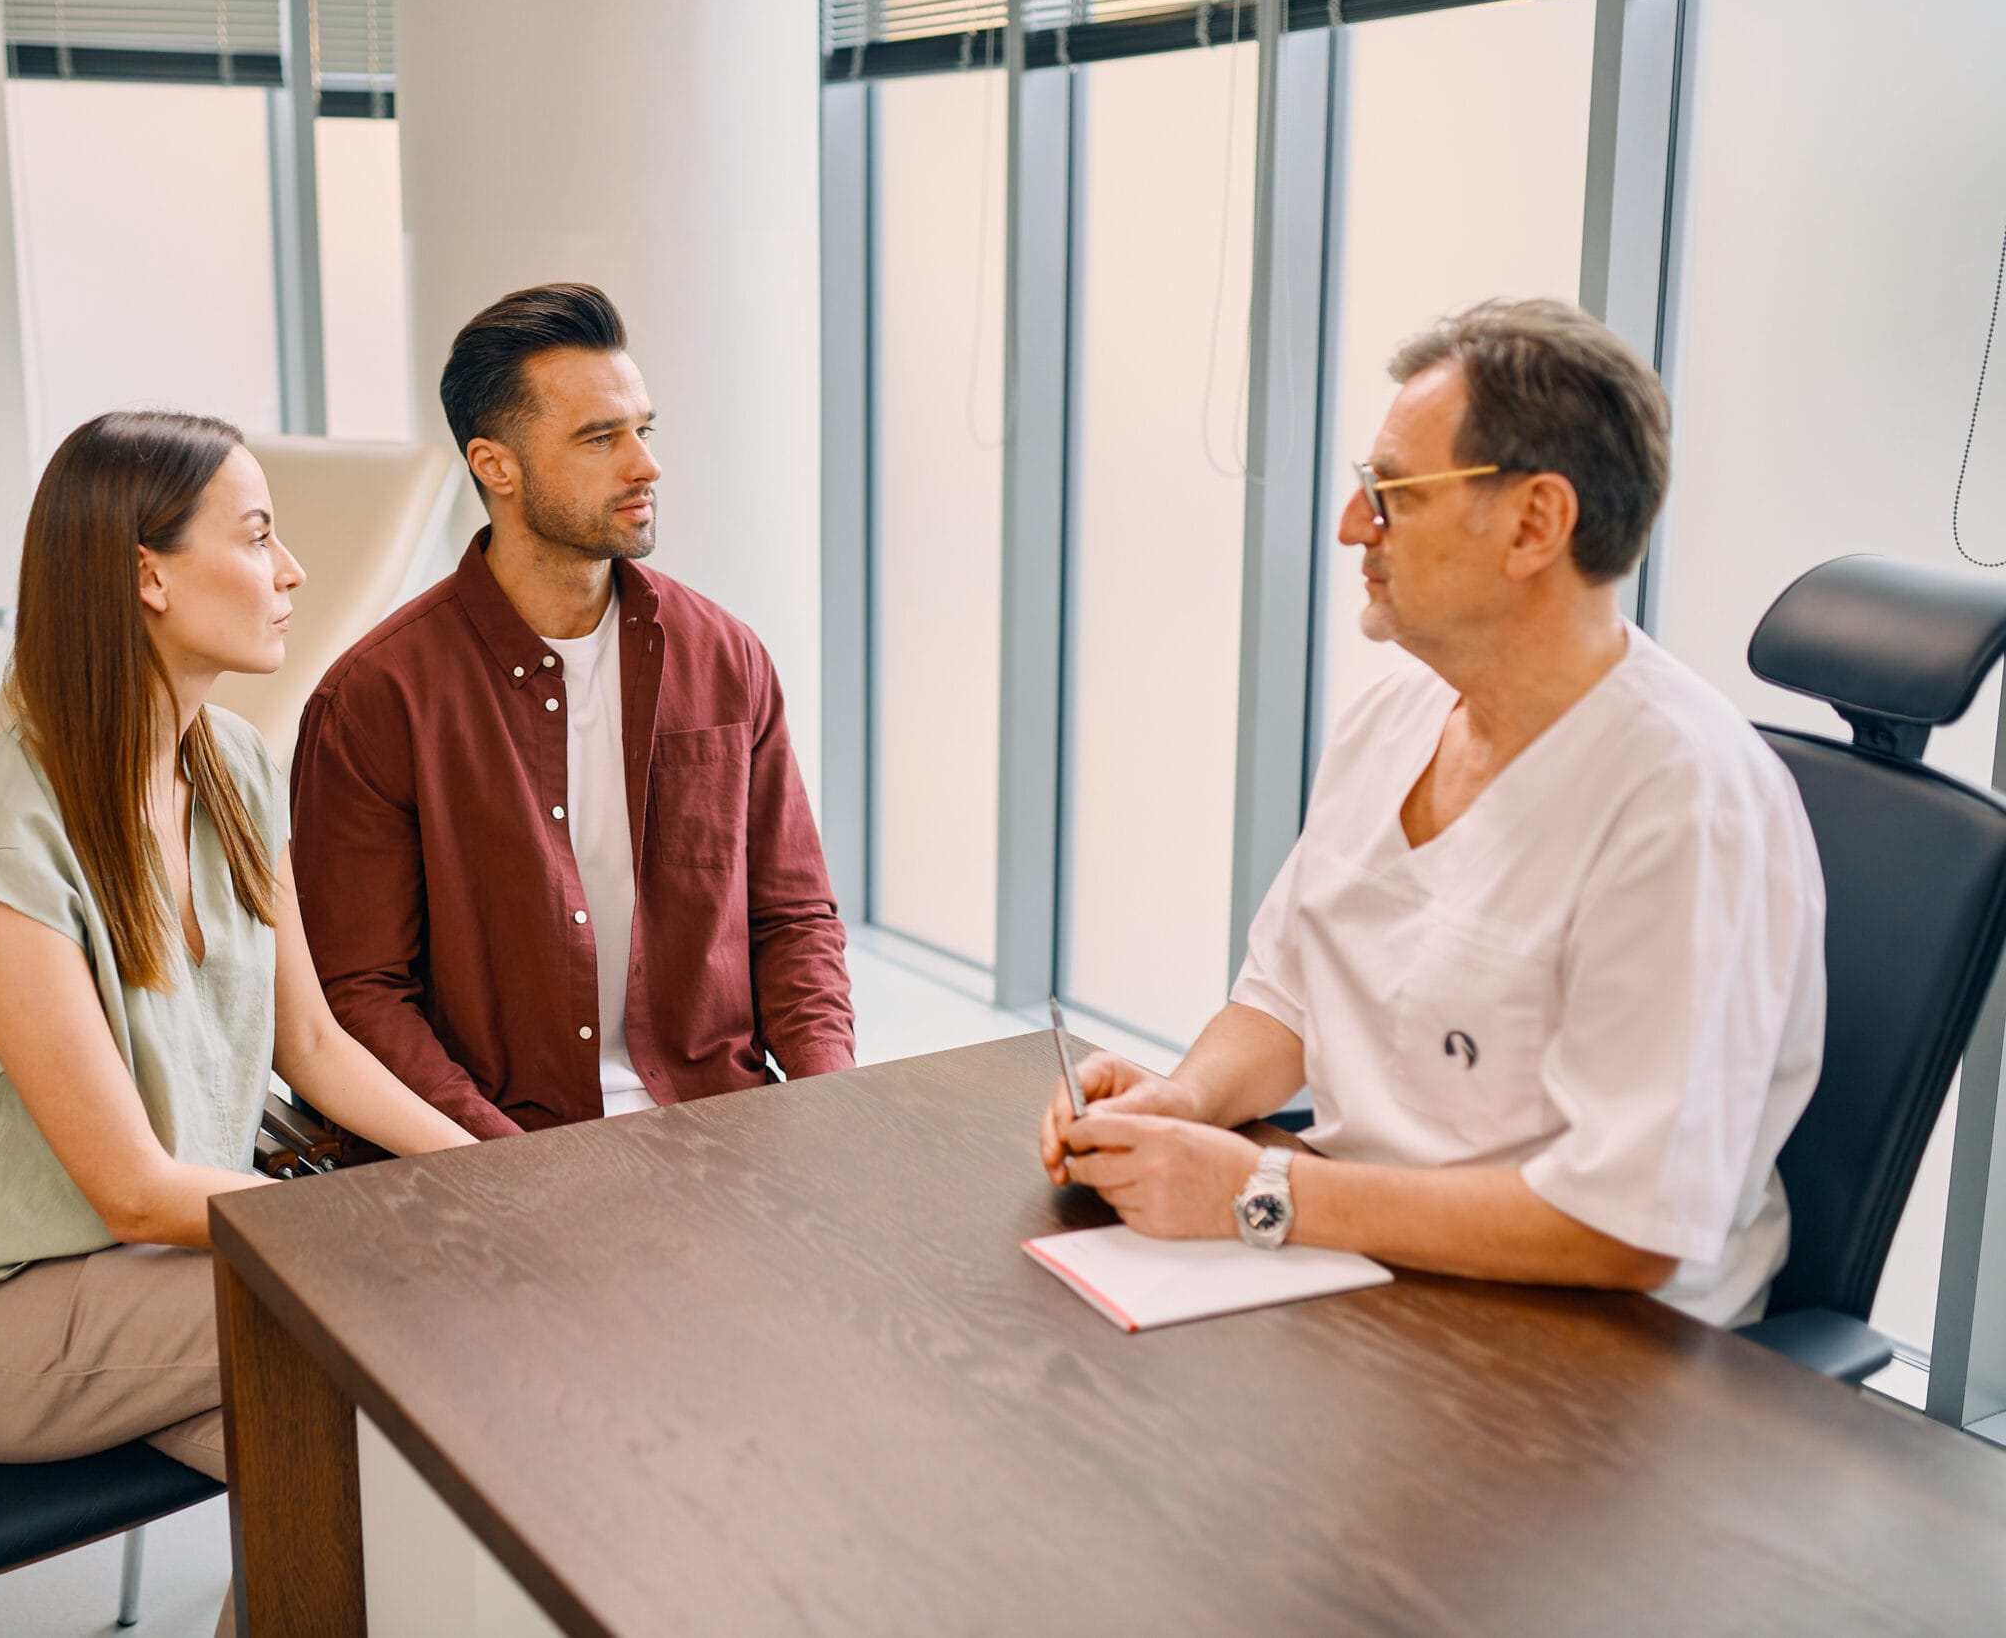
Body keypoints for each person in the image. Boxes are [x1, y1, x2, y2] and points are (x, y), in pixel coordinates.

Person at [1041, 299, 1825, 1327]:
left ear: (1534, 524)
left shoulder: (1682, 803)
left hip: (1597, 1349)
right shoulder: (1396, 713)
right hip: (1361, 1267)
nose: (1349, 526)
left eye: (1390, 493)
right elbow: (1287, 996)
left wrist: (1252, 1193)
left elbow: (1624, 1228)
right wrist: (1180, 1104)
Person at [0, 413, 474, 1535]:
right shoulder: (10, 830)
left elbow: (307, 1046)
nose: (292, 571)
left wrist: (493, 1177)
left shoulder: (235, 766)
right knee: (400, 1329)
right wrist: (374, 1231)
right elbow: (127, 1183)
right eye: (259, 535)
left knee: (383, 1501)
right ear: (146, 578)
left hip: (151, 1274)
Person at [291, 282, 853, 1152]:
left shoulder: (725, 657)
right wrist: (507, 1165)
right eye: (601, 438)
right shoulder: (376, 699)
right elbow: (359, 991)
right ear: (496, 466)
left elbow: (793, 918)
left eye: (643, 430)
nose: (645, 465)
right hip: (497, 1153)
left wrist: (830, 1110)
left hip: (721, 1132)